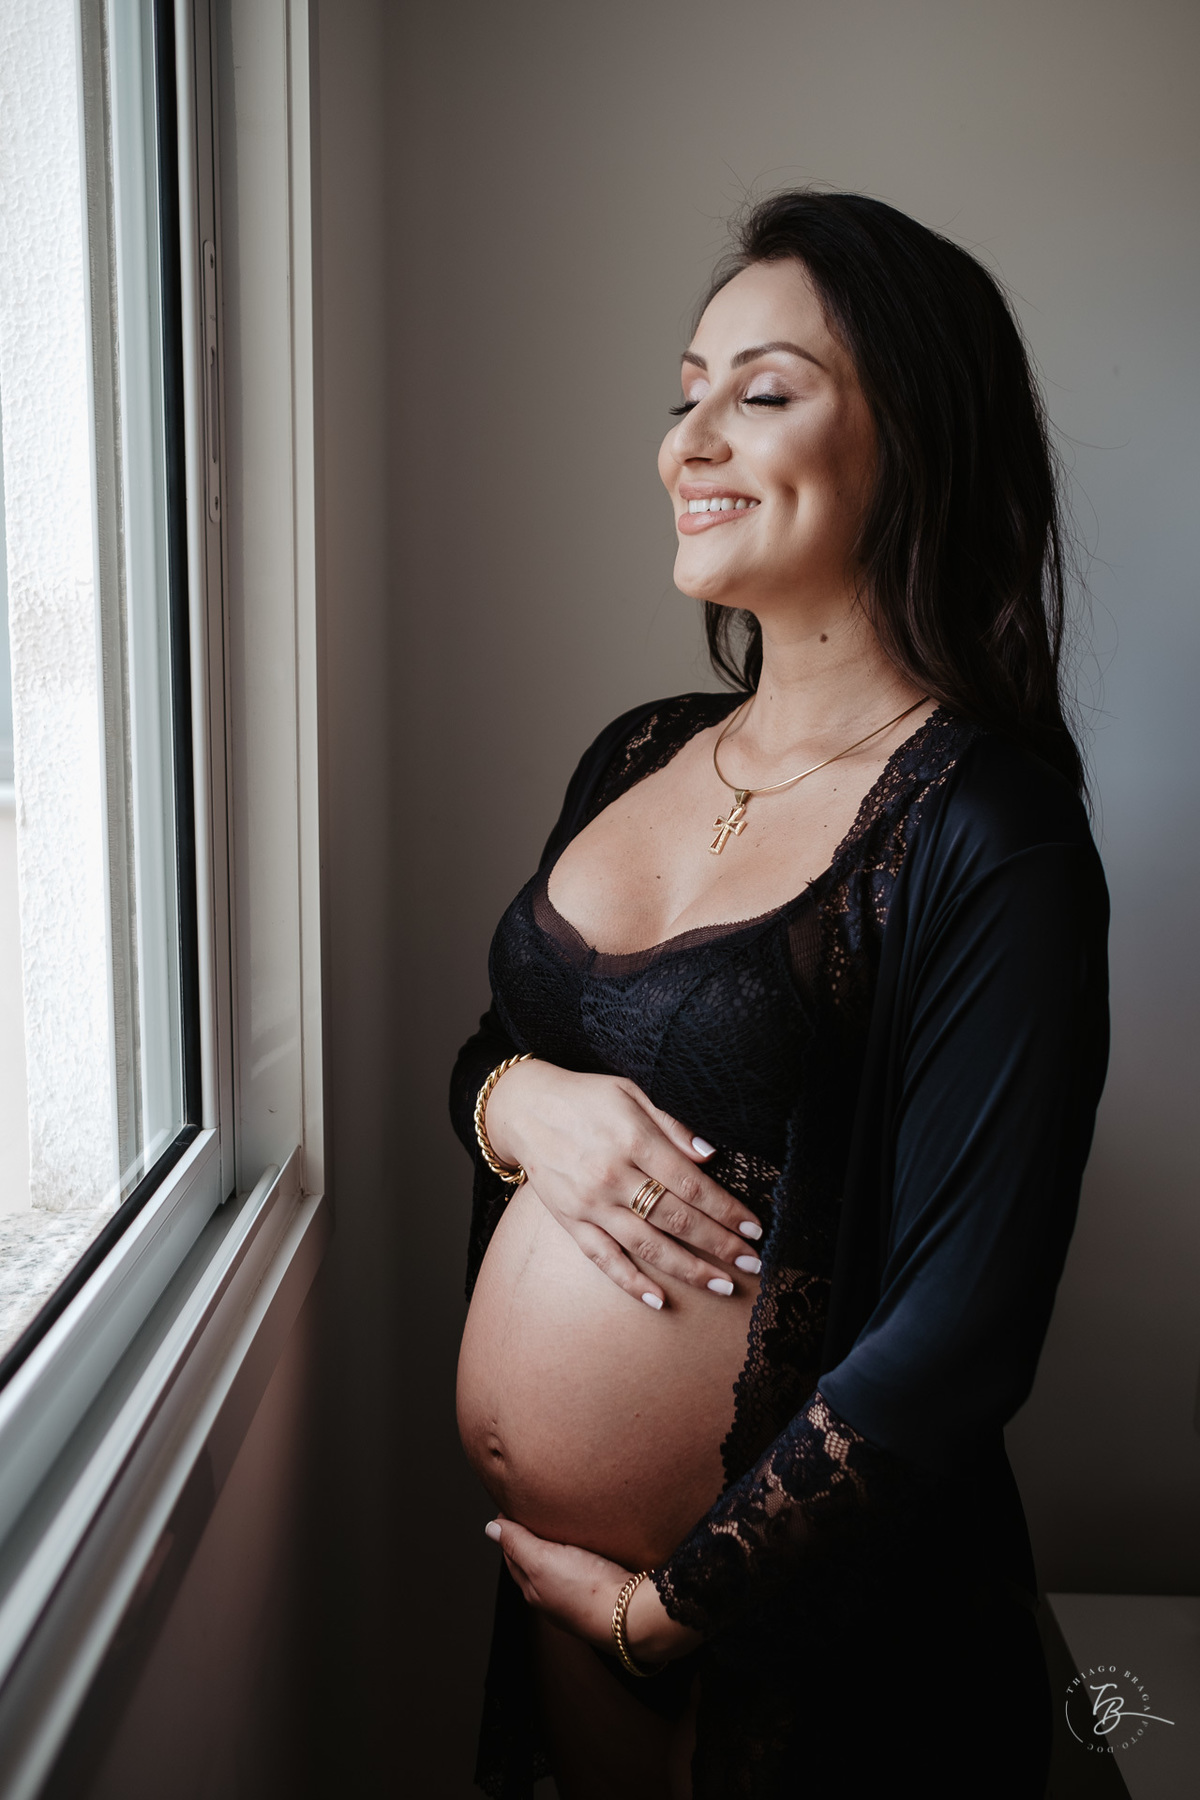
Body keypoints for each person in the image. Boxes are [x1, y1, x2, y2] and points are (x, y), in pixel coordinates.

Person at [449, 189, 1109, 1800]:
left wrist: (672, 1612)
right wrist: (516, 1102)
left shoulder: (987, 829)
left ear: (919, 434)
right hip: (561, 1597)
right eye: (686, 391)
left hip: (778, 1634)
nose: (690, 438)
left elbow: (961, 1334)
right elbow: (498, 1058)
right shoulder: (636, 752)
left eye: (763, 389)